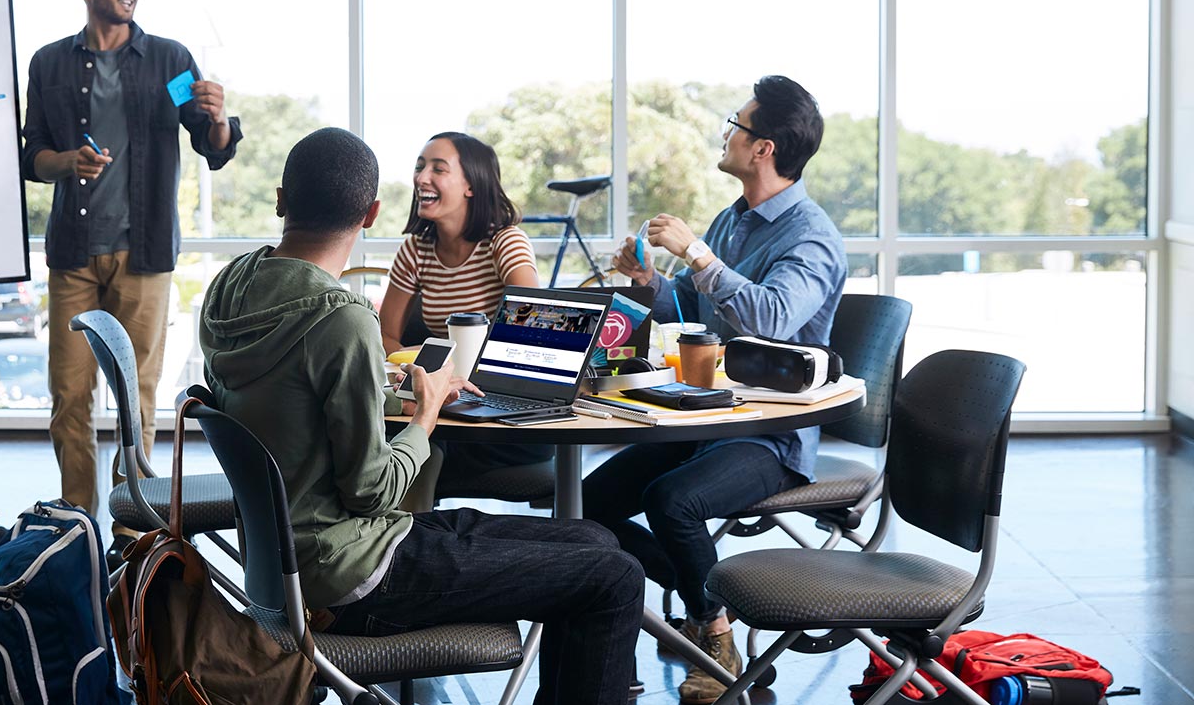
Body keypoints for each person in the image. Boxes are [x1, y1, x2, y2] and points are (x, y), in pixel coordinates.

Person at [200, 128, 644, 705]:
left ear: (281, 200)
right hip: (355, 573)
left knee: (594, 537)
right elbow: (370, 490)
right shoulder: (339, 317)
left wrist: (386, 391)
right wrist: (425, 417)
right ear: (372, 213)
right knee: (616, 576)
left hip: (284, 561)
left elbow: (295, 403)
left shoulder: (227, 287)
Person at [581, 75, 846, 705]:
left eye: (737, 123)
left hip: (769, 435)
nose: (726, 132)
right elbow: (699, 317)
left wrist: (698, 254)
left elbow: (770, 316)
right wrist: (652, 278)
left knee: (672, 502)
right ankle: (710, 594)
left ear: (764, 148)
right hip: (703, 415)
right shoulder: (734, 220)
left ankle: (714, 633)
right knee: (587, 504)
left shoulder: (810, 235)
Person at [21, 0, 242, 568]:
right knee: (69, 392)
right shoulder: (51, 64)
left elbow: (211, 144)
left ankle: (131, 527)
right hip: (73, 252)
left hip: (143, 253)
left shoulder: (169, 59)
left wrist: (218, 118)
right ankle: (74, 527)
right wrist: (66, 162)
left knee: (135, 396)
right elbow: (31, 155)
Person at [380, 132, 549, 482]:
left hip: (503, 409)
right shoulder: (416, 250)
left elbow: (533, 327)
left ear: (471, 185)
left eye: (438, 169)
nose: (421, 177)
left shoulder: (504, 241)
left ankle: (412, 526)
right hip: (442, 403)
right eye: (419, 167)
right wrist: (418, 372)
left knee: (416, 452)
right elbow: (385, 335)